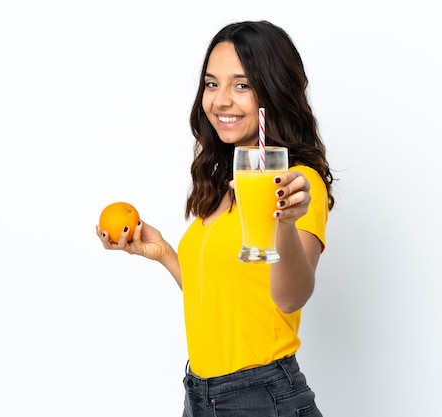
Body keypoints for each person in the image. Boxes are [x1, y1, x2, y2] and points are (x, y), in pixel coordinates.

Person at [97, 20, 334, 417]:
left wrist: (287, 224)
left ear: (271, 91)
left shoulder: (295, 183)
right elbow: (224, 300)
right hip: (200, 395)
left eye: (241, 85)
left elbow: (291, 297)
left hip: (261, 396)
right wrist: (165, 254)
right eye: (211, 83)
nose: (220, 100)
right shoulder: (224, 185)